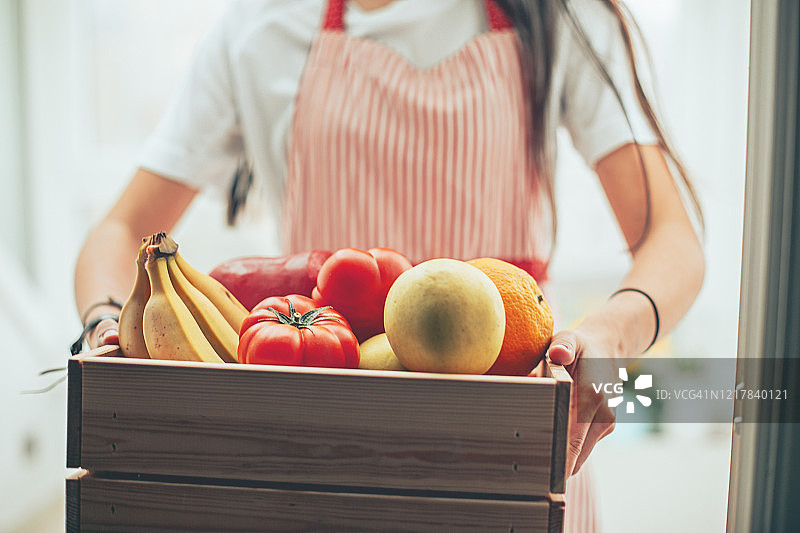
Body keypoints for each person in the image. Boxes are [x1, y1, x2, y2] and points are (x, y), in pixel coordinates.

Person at [73, 0, 705, 530]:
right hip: (317, 439)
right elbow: (121, 230)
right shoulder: (258, 29)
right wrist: (107, 321)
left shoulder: (556, 13)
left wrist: (609, 334)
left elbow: (670, 237)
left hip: (516, 422)